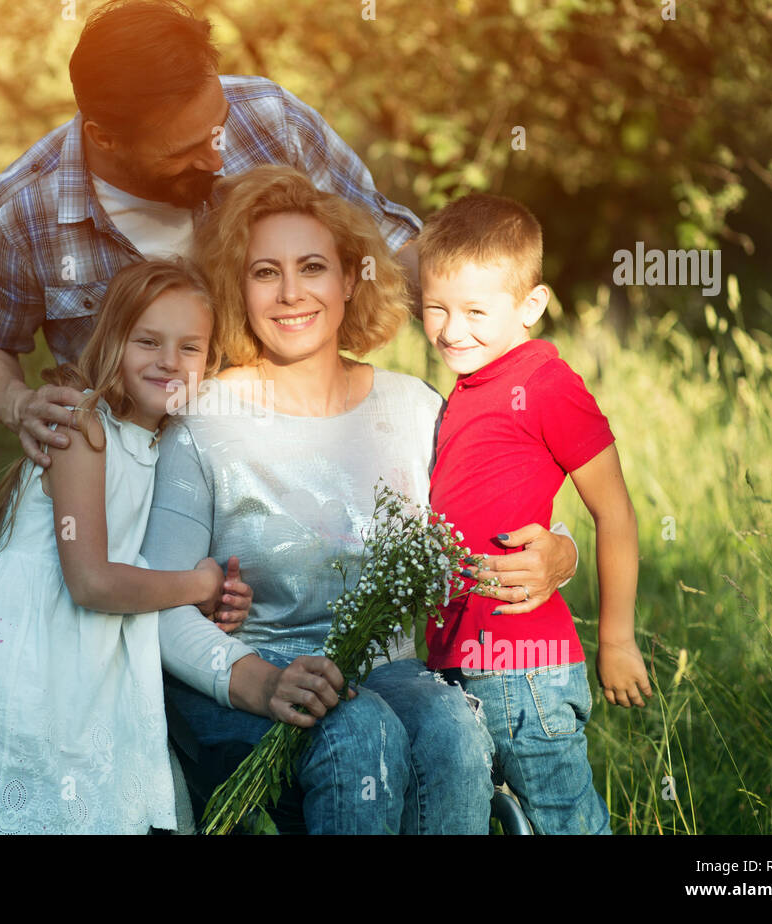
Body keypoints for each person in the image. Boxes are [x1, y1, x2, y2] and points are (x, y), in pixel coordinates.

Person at [138, 166, 580, 833]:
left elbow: (504, 515)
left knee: (455, 729)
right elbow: (158, 603)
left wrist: (562, 552)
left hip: (389, 673)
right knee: (359, 730)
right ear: (238, 287)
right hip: (246, 684)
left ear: (350, 280)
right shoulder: (202, 419)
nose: (291, 294)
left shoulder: (413, 408)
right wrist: (260, 682)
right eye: (265, 273)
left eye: (312, 267)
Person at [0, 0, 425, 469]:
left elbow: (389, 240)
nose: (217, 158)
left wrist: (494, 352)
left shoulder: (272, 118)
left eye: (219, 126)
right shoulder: (22, 209)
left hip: (294, 448)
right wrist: (19, 405)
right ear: (103, 137)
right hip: (135, 473)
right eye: (183, 151)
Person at [0, 260, 253, 834]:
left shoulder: (170, 446)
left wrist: (215, 600)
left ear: (209, 363)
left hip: (96, 660)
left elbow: (140, 569)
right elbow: (90, 581)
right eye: (148, 341)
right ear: (113, 340)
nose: (168, 361)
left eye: (190, 348)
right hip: (32, 653)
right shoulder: (85, 427)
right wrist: (198, 584)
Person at [416, 193, 653, 834]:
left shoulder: (546, 384)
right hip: (460, 660)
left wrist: (617, 640)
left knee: (566, 823)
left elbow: (616, 513)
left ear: (530, 306)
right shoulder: (468, 388)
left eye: (474, 311)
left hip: (524, 667)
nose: (450, 329)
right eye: (436, 307)